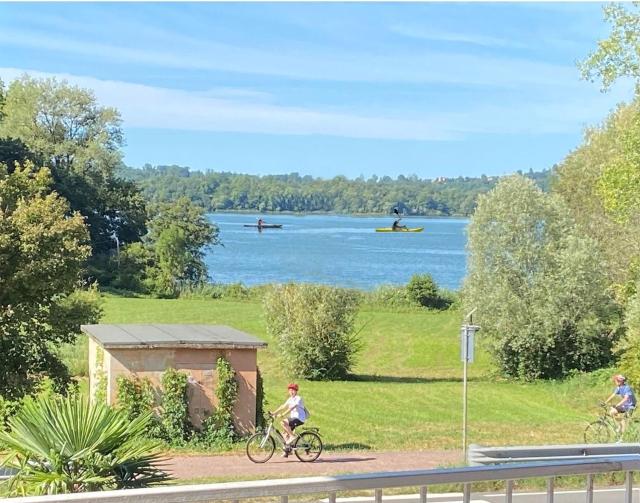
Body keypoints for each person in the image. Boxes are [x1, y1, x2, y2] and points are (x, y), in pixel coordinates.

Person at [271, 383, 308, 457]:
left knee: (283, 422)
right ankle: (288, 450)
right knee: (284, 434)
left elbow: (293, 407)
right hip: (294, 418)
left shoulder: (298, 398)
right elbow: (283, 406)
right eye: (290, 390)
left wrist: (283, 414)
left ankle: (292, 436)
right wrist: (274, 413)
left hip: (299, 418)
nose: (291, 391)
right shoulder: (290, 399)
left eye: (293, 390)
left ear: (296, 391)